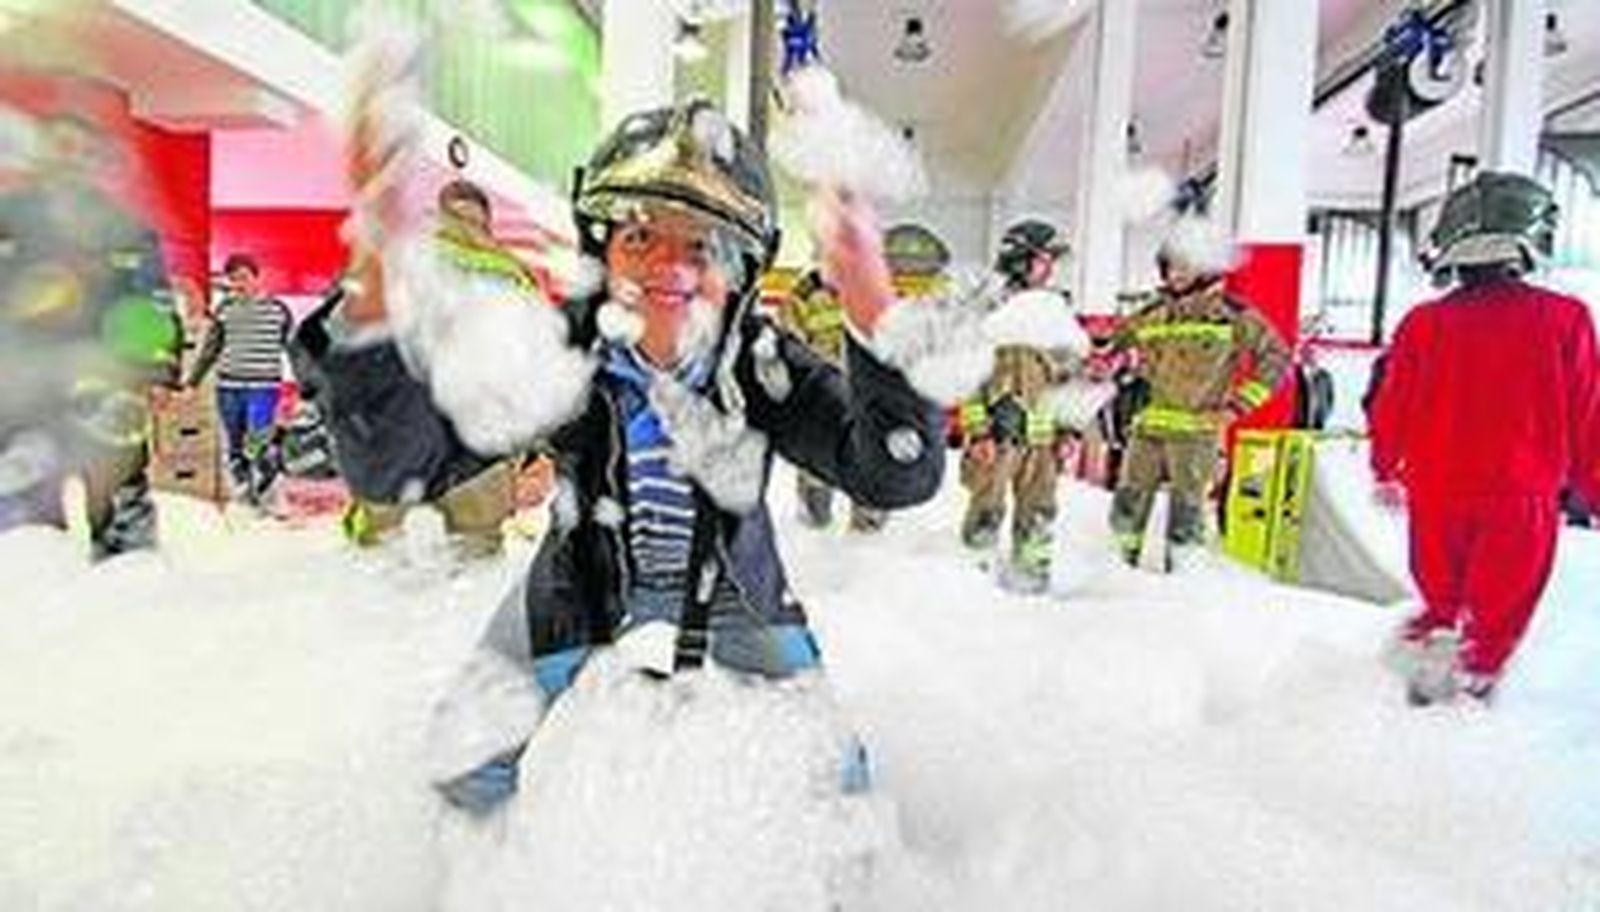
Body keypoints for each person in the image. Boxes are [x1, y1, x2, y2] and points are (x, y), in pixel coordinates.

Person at [312, 98, 948, 814]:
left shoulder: (764, 366)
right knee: (463, 759)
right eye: (640, 236)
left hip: (737, 592)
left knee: (837, 782)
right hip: (579, 585)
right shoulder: (560, 353)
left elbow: (898, 472)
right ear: (602, 248)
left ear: (742, 271)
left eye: (703, 245)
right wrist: (372, 280)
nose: (669, 266)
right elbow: (398, 468)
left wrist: (871, 297)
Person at [1369, 171, 1599, 706]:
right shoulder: (1566, 319)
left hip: (1435, 492)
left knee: (1441, 608)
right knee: (1491, 628)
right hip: (1519, 497)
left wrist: (1384, 466)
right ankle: (1465, 726)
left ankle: (1414, 711)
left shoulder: (1422, 324)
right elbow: (1588, 412)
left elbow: (1391, 406)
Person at [324, 180, 547, 556]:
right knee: (474, 566)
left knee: (383, 563)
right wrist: (533, 449)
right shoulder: (514, 276)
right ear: (487, 223)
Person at [0, 109, 181, 559]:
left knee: (118, 497)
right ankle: (32, 596)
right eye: (62, 149)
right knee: (26, 502)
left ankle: (130, 588)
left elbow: (148, 300)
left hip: (106, 377)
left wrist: (156, 366)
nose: (72, 161)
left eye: (83, 152)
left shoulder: (126, 227)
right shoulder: (8, 217)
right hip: (24, 383)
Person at [1107, 223, 1290, 572]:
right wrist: (1104, 354)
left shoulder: (1232, 315)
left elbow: (1277, 357)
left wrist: (1237, 407)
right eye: (1171, 266)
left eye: (1185, 266)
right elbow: (1111, 344)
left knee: (1187, 511)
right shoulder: (1151, 313)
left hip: (1196, 433)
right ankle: (1117, 571)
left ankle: (1184, 582)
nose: (1176, 275)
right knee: (1127, 502)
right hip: (1147, 430)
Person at [957, 220, 1076, 593]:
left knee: (1040, 518)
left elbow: (1068, 376)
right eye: (1043, 261)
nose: (1049, 270)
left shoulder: (1055, 311)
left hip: (1042, 445)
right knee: (985, 516)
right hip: (997, 437)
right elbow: (966, 375)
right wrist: (978, 430)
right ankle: (975, 592)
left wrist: (1069, 430)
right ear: (1020, 261)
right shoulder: (985, 309)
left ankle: (1032, 586)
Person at [777, 268, 887, 532]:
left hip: (866, 404)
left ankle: (866, 552)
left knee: (870, 486)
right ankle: (816, 543)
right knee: (816, 491)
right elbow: (789, 349)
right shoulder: (804, 297)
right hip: (819, 402)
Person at [183, 253, 292, 503]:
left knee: (256, 443)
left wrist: (312, 384)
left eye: (243, 278)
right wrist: (192, 383)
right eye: (233, 280)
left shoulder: (278, 310)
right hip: (228, 387)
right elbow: (211, 349)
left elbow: (294, 349)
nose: (238, 285)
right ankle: (246, 495)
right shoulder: (224, 310)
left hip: (263, 387)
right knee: (234, 446)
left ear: (257, 277)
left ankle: (267, 487)